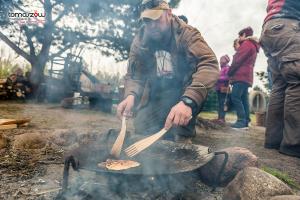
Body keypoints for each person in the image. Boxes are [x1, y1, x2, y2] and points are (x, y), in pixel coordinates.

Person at [117, 0, 219, 143]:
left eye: (156, 19)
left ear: (169, 13)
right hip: (157, 93)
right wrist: (131, 95)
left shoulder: (187, 34)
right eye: (147, 21)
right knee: (142, 127)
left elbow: (209, 64)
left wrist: (188, 101)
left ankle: (183, 138)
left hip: (185, 91)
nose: (152, 26)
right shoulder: (140, 41)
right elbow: (135, 74)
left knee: (179, 132)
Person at [260, 0, 300, 158]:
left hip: (271, 26)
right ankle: (293, 143)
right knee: (297, 81)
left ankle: (273, 140)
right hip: (288, 24)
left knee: (279, 85)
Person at [228, 27, 260, 129]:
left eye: (240, 35)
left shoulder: (246, 44)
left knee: (235, 97)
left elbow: (238, 60)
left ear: (245, 35)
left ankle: (241, 121)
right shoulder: (253, 45)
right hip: (247, 76)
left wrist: (230, 73)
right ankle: (246, 121)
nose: (239, 37)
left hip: (240, 75)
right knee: (244, 98)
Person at [214, 55, 230, 125]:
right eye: (220, 59)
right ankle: (219, 118)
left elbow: (227, 78)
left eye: (222, 59)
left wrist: (217, 78)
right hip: (218, 88)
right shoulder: (222, 69)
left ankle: (222, 119)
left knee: (223, 103)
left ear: (226, 60)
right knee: (220, 103)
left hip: (223, 89)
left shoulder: (227, 68)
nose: (220, 60)